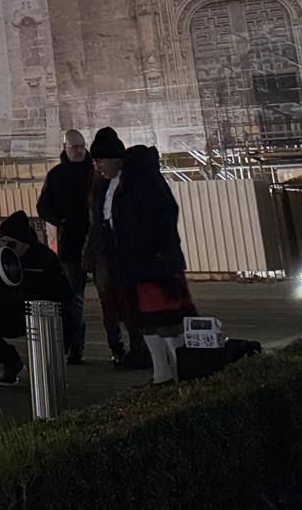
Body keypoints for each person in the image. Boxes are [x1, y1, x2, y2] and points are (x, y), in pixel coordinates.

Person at [111, 144, 196, 385]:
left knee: (167, 323)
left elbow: (153, 223)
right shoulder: (146, 182)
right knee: (154, 323)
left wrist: (142, 248)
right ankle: (166, 373)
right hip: (150, 264)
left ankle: (180, 372)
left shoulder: (140, 185)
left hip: (152, 265)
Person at [0, 210, 74, 385]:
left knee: (62, 326)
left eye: (12, 243)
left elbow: (64, 295)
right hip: (10, 311)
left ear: (25, 243)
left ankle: (50, 373)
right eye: (2, 241)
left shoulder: (45, 258)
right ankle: (10, 361)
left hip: (43, 313)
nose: (6, 247)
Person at [83, 127, 147, 370]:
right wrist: (89, 253)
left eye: (100, 161)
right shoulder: (100, 185)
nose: (98, 166)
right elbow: (96, 222)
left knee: (132, 302)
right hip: (105, 251)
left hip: (126, 250)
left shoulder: (132, 182)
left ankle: (139, 347)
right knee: (109, 301)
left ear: (114, 159)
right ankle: (118, 348)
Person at [36, 129, 94, 363]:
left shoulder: (94, 172)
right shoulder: (58, 175)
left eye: (81, 146)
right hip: (71, 244)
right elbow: (43, 207)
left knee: (107, 298)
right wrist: (61, 220)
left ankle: (117, 346)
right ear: (65, 147)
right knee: (73, 300)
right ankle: (76, 347)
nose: (79, 151)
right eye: (74, 147)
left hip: (94, 242)